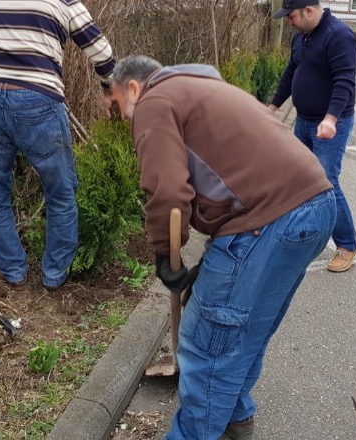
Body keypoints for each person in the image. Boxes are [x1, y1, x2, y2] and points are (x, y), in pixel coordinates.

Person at [111, 55, 336, 440]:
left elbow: (167, 190)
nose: (123, 116)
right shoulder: (202, 86)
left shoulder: (154, 100)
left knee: (206, 347)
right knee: (244, 335)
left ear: (133, 87)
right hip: (312, 206)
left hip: (270, 218)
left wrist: (165, 253)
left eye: (118, 105)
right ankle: (235, 420)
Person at [0, 0, 116, 290]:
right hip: (37, 101)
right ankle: (54, 274)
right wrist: (109, 91)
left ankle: (13, 272)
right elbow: (102, 53)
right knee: (60, 191)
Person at [268, 0, 356, 272]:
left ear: (308, 11)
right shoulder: (302, 37)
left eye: (291, 17)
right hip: (305, 120)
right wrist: (272, 107)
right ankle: (305, 235)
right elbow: (290, 72)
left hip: (331, 124)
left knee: (326, 182)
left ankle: (347, 245)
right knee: (301, 179)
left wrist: (330, 118)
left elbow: (345, 81)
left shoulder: (339, 36)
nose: (289, 22)